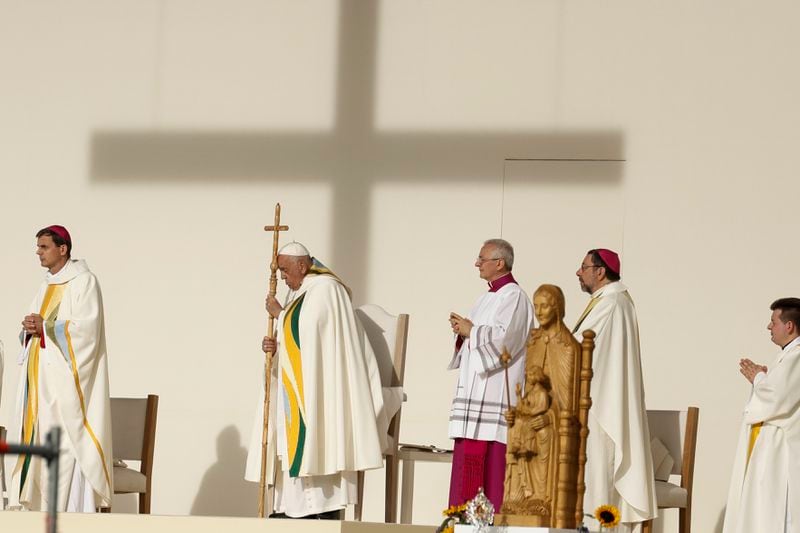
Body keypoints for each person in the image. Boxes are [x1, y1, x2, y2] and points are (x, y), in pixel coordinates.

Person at [245, 241, 401, 519]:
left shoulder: (327, 289)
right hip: (302, 390)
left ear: (302, 266)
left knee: (317, 435)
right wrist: (275, 347)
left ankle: (320, 512)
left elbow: (309, 330)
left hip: (325, 394)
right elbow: (300, 346)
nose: (282, 276)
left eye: (284, 270)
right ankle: (292, 510)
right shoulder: (300, 292)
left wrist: (280, 315)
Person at [8, 225, 112, 512]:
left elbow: (87, 332)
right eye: (38, 247)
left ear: (62, 248)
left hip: (65, 384)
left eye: (44, 247)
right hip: (41, 381)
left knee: (67, 443)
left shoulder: (84, 282)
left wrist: (47, 327)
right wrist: (30, 328)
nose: (38, 253)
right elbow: (37, 325)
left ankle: (71, 512)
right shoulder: (47, 284)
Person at [573, 248, 656, 532]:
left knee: (598, 473)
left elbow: (579, 350)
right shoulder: (610, 301)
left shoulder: (612, 303)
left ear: (600, 271)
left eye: (583, 267)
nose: (578, 273)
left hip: (601, 407)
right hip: (596, 400)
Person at [447, 238, 534, 510]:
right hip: (475, 396)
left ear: (499, 263)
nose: (476, 264)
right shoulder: (485, 297)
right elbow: (476, 335)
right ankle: (461, 518)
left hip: (496, 394)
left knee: (493, 464)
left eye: (481, 259)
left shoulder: (515, 297)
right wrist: (463, 333)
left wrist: (470, 331)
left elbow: (506, 341)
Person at [723, 297, 800, 533]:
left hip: (782, 454)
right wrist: (761, 379)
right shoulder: (787, 355)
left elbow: (777, 398)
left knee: (778, 516)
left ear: (789, 326)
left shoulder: (797, 356)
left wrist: (758, 378)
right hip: (771, 450)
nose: (769, 327)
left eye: (773, 321)